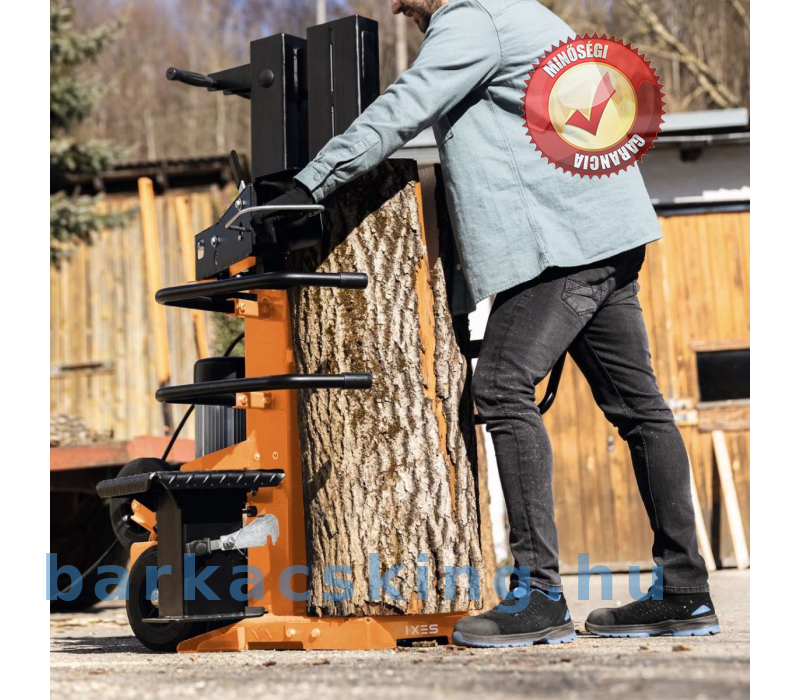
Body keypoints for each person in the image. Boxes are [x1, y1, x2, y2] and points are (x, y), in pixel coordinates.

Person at [261, 0, 718, 647]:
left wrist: (309, 186)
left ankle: (539, 596)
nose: (397, 7)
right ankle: (686, 593)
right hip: (603, 231)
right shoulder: (520, 12)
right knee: (641, 410)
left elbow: (404, 106)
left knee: (502, 384)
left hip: (565, 243)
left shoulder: (471, 17)